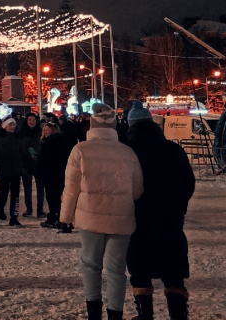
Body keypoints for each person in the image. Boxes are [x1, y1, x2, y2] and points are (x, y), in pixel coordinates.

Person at [60, 104, 144, 320]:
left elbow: (71, 188)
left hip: (90, 216)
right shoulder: (128, 152)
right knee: (116, 269)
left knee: (91, 263)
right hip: (121, 218)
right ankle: (115, 314)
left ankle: (93, 312)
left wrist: (66, 217)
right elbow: (137, 190)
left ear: (91, 125)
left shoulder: (81, 150)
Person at [125, 114, 195, 320]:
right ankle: (178, 314)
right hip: (170, 220)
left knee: (139, 271)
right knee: (173, 271)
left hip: (138, 220)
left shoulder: (130, 153)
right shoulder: (173, 150)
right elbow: (188, 183)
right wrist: (180, 206)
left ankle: (145, 314)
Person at [0, 117, 30, 226]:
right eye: (10, 125)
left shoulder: (18, 138)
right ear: (5, 126)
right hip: (3, 169)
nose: (12, 127)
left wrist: (24, 166)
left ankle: (14, 217)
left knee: (15, 195)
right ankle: (0, 208)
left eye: (13, 125)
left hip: (16, 170)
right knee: (4, 192)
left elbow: (24, 153)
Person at [37, 121, 73, 230]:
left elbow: (52, 159)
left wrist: (41, 159)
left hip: (54, 174)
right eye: (44, 130)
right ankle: (56, 218)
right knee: (53, 197)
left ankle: (59, 219)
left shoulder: (54, 142)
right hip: (53, 174)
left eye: (48, 130)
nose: (46, 132)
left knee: (54, 198)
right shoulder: (49, 141)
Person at [21, 112, 43, 217]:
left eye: (33, 120)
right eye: (30, 120)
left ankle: (40, 209)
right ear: (27, 121)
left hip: (39, 163)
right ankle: (29, 209)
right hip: (26, 163)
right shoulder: (22, 132)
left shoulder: (40, 131)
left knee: (40, 188)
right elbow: (21, 147)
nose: (32, 122)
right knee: (27, 188)